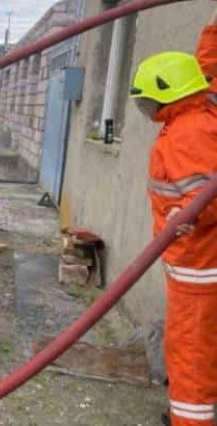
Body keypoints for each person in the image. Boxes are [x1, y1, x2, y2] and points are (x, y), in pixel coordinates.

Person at [131, 11, 217, 426]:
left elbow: (207, 199)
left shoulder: (187, 133)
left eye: (147, 100)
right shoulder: (203, 104)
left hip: (198, 271)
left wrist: (183, 214)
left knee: (189, 358)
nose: (145, 109)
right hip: (197, 266)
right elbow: (209, 63)